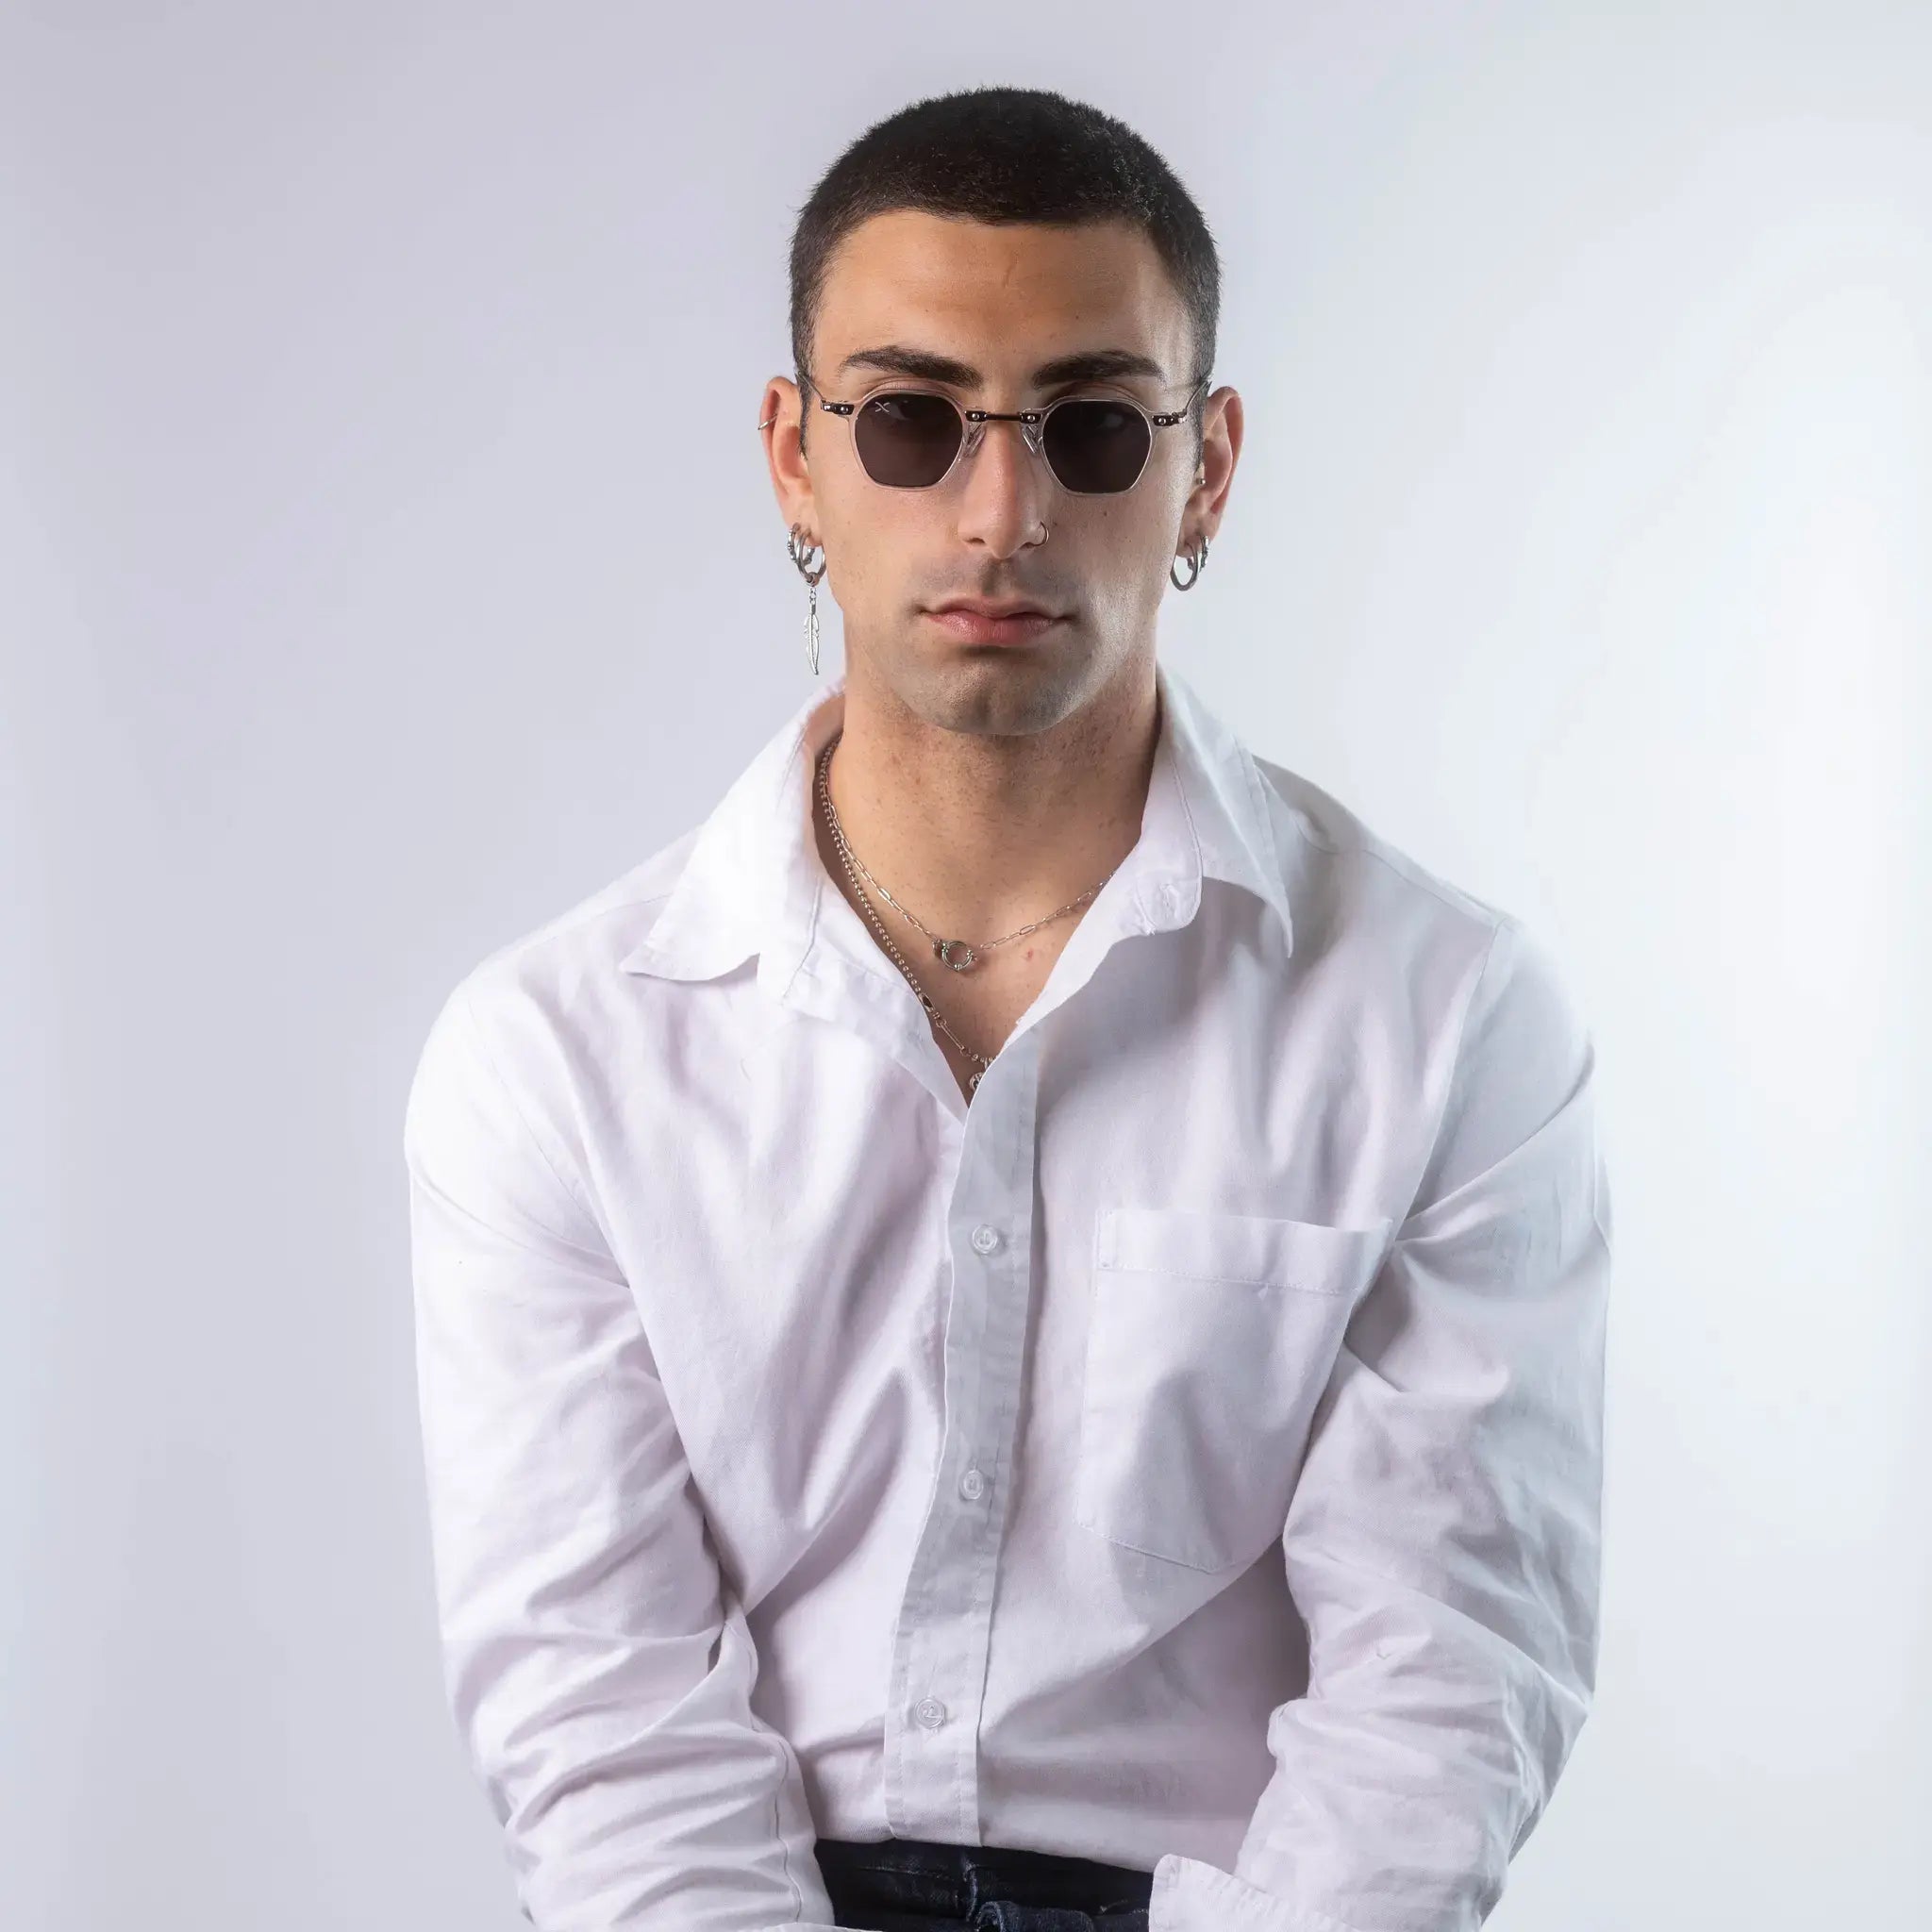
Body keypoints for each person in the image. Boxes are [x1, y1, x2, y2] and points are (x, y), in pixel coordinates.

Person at [402, 85, 1612, 1932]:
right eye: (910, 420)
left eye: (1090, 425)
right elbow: (601, 1716)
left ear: (1202, 467)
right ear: (795, 460)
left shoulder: (1443, 1016)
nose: (1001, 506)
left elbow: (1441, 1696)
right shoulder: (558, 1055)